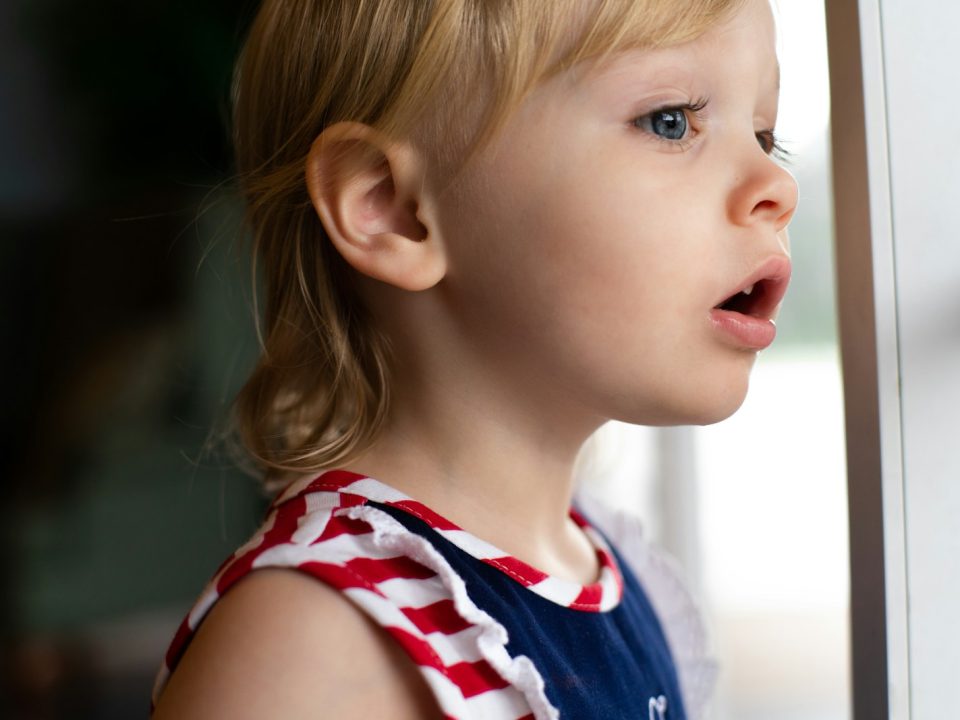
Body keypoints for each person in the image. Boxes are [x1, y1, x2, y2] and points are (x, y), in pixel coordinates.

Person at [150, 0, 797, 717]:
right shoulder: (316, 646)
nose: (778, 187)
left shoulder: (617, 572)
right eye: (670, 120)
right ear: (395, 207)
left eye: (767, 137)